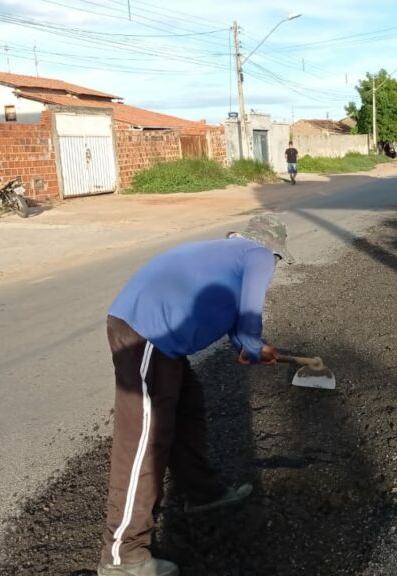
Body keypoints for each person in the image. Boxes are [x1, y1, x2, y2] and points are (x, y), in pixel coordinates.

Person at [97, 215, 294, 576]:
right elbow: (250, 311)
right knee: (143, 441)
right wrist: (251, 343)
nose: (274, 267)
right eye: (278, 260)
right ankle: (123, 553)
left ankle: (202, 492)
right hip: (146, 335)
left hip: (157, 339)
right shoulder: (258, 254)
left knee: (188, 409)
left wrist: (253, 348)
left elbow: (238, 323)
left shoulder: (227, 252)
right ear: (272, 247)